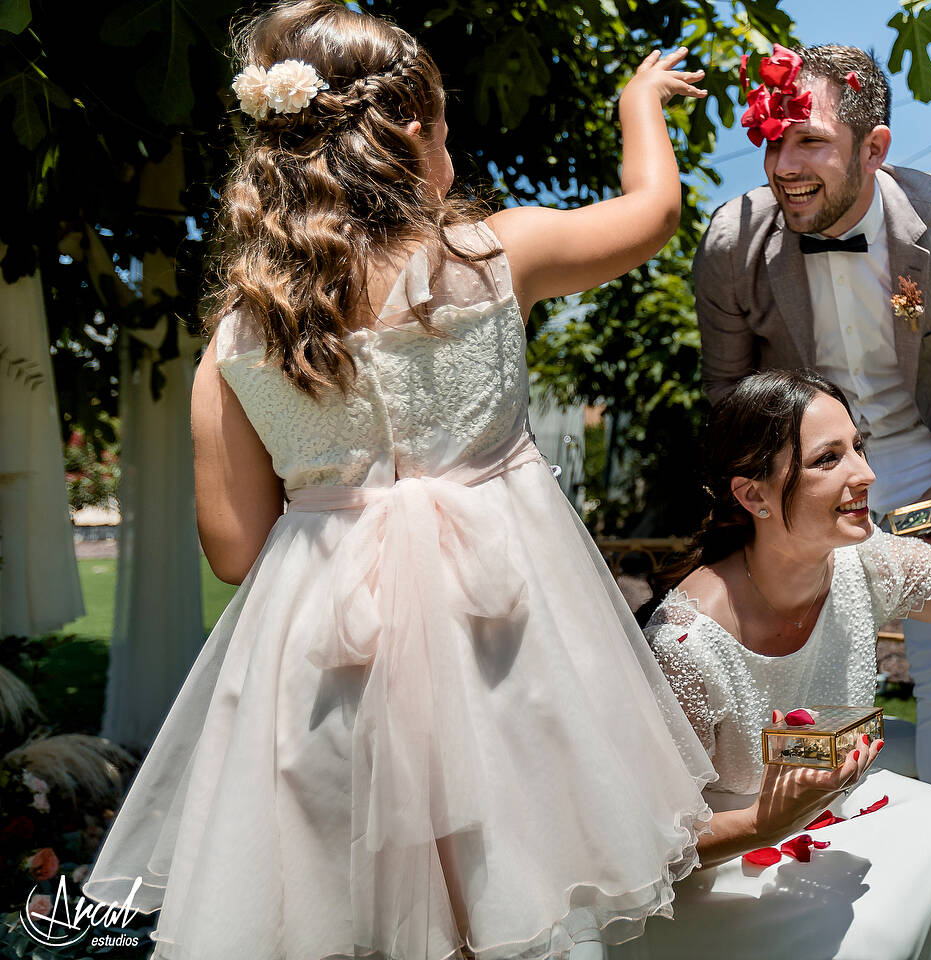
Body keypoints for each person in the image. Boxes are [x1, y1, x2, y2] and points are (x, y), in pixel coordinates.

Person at [82, 3, 718, 957]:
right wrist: (640, 102)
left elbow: (232, 550)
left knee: (342, 913)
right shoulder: (497, 257)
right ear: (417, 131)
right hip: (501, 639)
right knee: (506, 895)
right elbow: (654, 213)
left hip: (330, 655)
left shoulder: (239, 339)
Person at [612, 370, 931, 960]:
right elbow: (646, 847)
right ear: (753, 496)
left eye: (859, 448)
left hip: (830, 827)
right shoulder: (686, 643)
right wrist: (761, 825)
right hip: (720, 885)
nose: (866, 474)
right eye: (829, 458)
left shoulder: (860, 561)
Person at [692, 43, 931, 814]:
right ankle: (816, 862)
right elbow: (728, 393)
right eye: (773, 139)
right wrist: (769, 509)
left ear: (874, 148)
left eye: (808, 140)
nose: (783, 164)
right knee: (810, 673)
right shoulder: (730, 243)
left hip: (925, 458)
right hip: (801, 474)